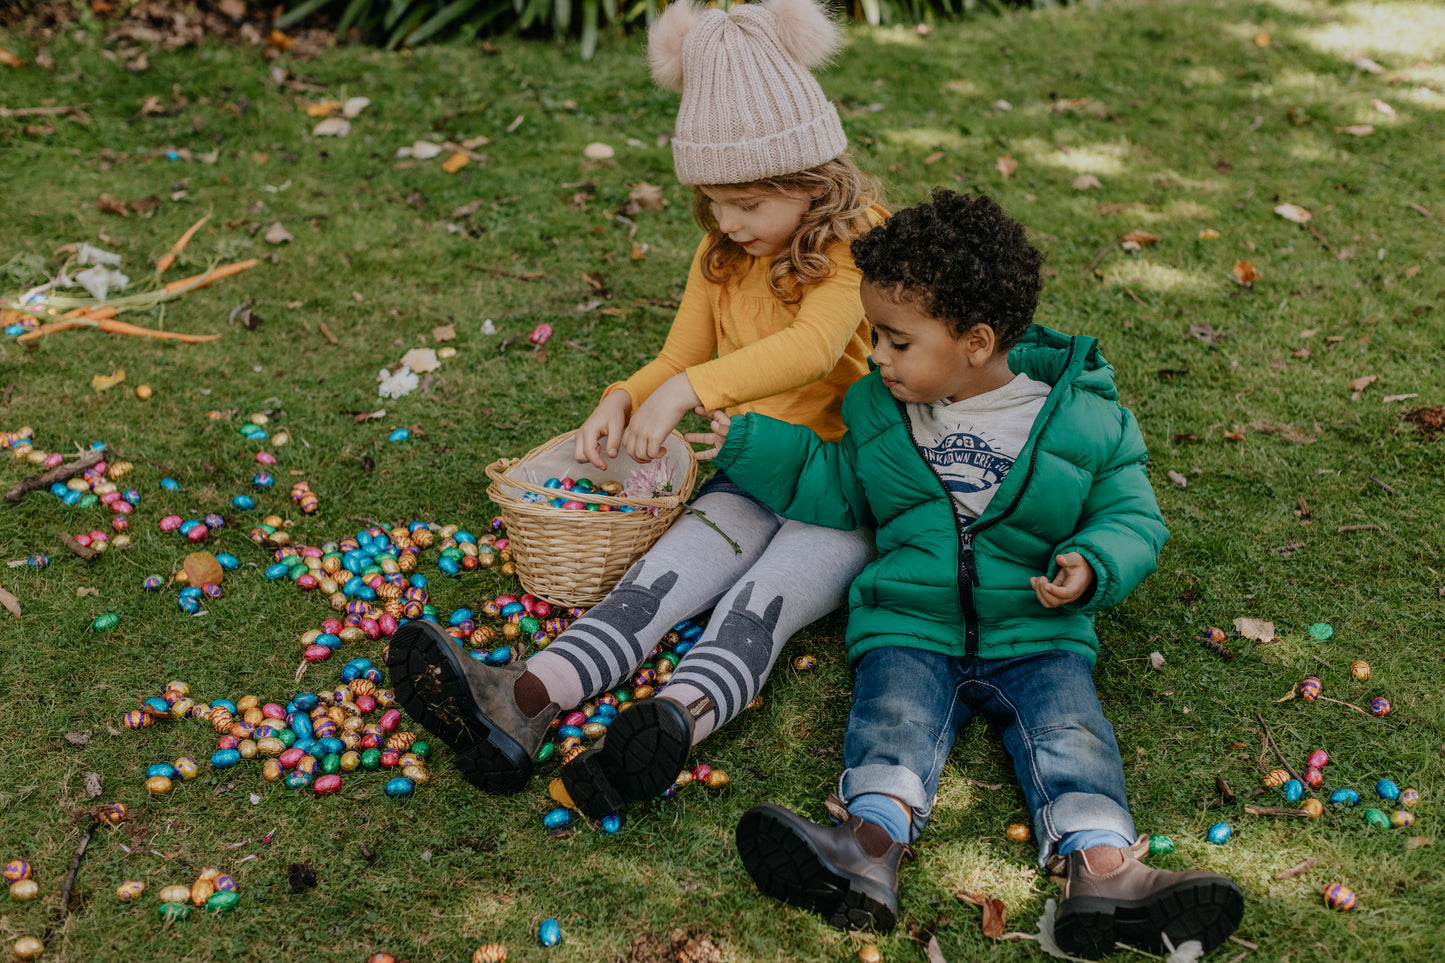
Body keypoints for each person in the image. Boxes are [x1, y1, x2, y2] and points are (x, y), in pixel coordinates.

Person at [698, 190, 1244, 958]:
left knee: (1072, 736)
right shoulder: (881, 410)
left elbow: (1133, 516)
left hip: (1036, 630)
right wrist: (751, 443)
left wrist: (1091, 564)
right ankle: (865, 850)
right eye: (874, 338)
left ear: (976, 340)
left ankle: (1104, 871)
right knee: (890, 722)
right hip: (909, 625)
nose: (877, 357)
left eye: (894, 341)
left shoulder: (1083, 416)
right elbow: (840, 487)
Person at [387, 0, 886, 820]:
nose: (726, 221)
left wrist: (692, 393)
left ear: (809, 176)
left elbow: (811, 349)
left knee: (757, 605)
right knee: (656, 580)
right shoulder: (724, 251)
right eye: (713, 199)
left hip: (844, 493)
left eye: (749, 203)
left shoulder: (853, 244)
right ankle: (524, 695)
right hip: (752, 471)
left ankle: (670, 727)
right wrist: (626, 392)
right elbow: (678, 357)